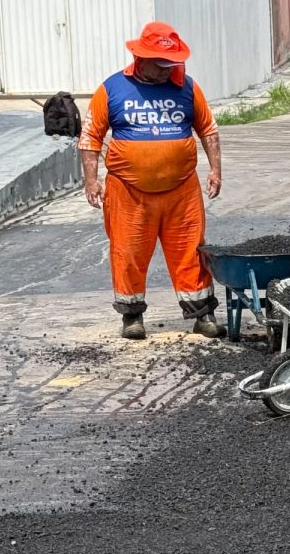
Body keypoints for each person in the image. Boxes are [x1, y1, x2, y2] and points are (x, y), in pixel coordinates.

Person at [79, 21, 224, 341]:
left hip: (182, 190)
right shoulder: (112, 89)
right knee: (128, 252)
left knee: (191, 252)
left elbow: (208, 129)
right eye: (162, 65)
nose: (168, 70)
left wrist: (215, 170)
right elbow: (90, 137)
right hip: (127, 192)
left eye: (171, 64)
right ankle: (132, 317)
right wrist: (92, 181)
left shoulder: (187, 87)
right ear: (141, 59)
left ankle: (202, 315)